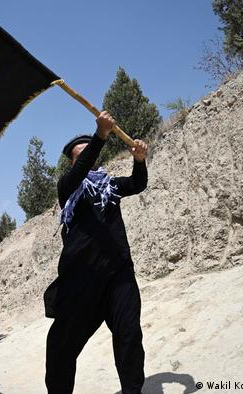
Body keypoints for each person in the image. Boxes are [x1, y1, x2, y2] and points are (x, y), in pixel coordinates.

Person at [44, 111, 148, 393]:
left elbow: (138, 184)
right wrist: (101, 135)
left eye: (90, 154)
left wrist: (139, 161)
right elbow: (79, 173)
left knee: (129, 336)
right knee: (61, 348)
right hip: (81, 281)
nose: (87, 161)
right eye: (81, 156)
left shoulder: (110, 187)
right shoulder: (67, 187)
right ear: (72, 163)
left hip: (118, 276)